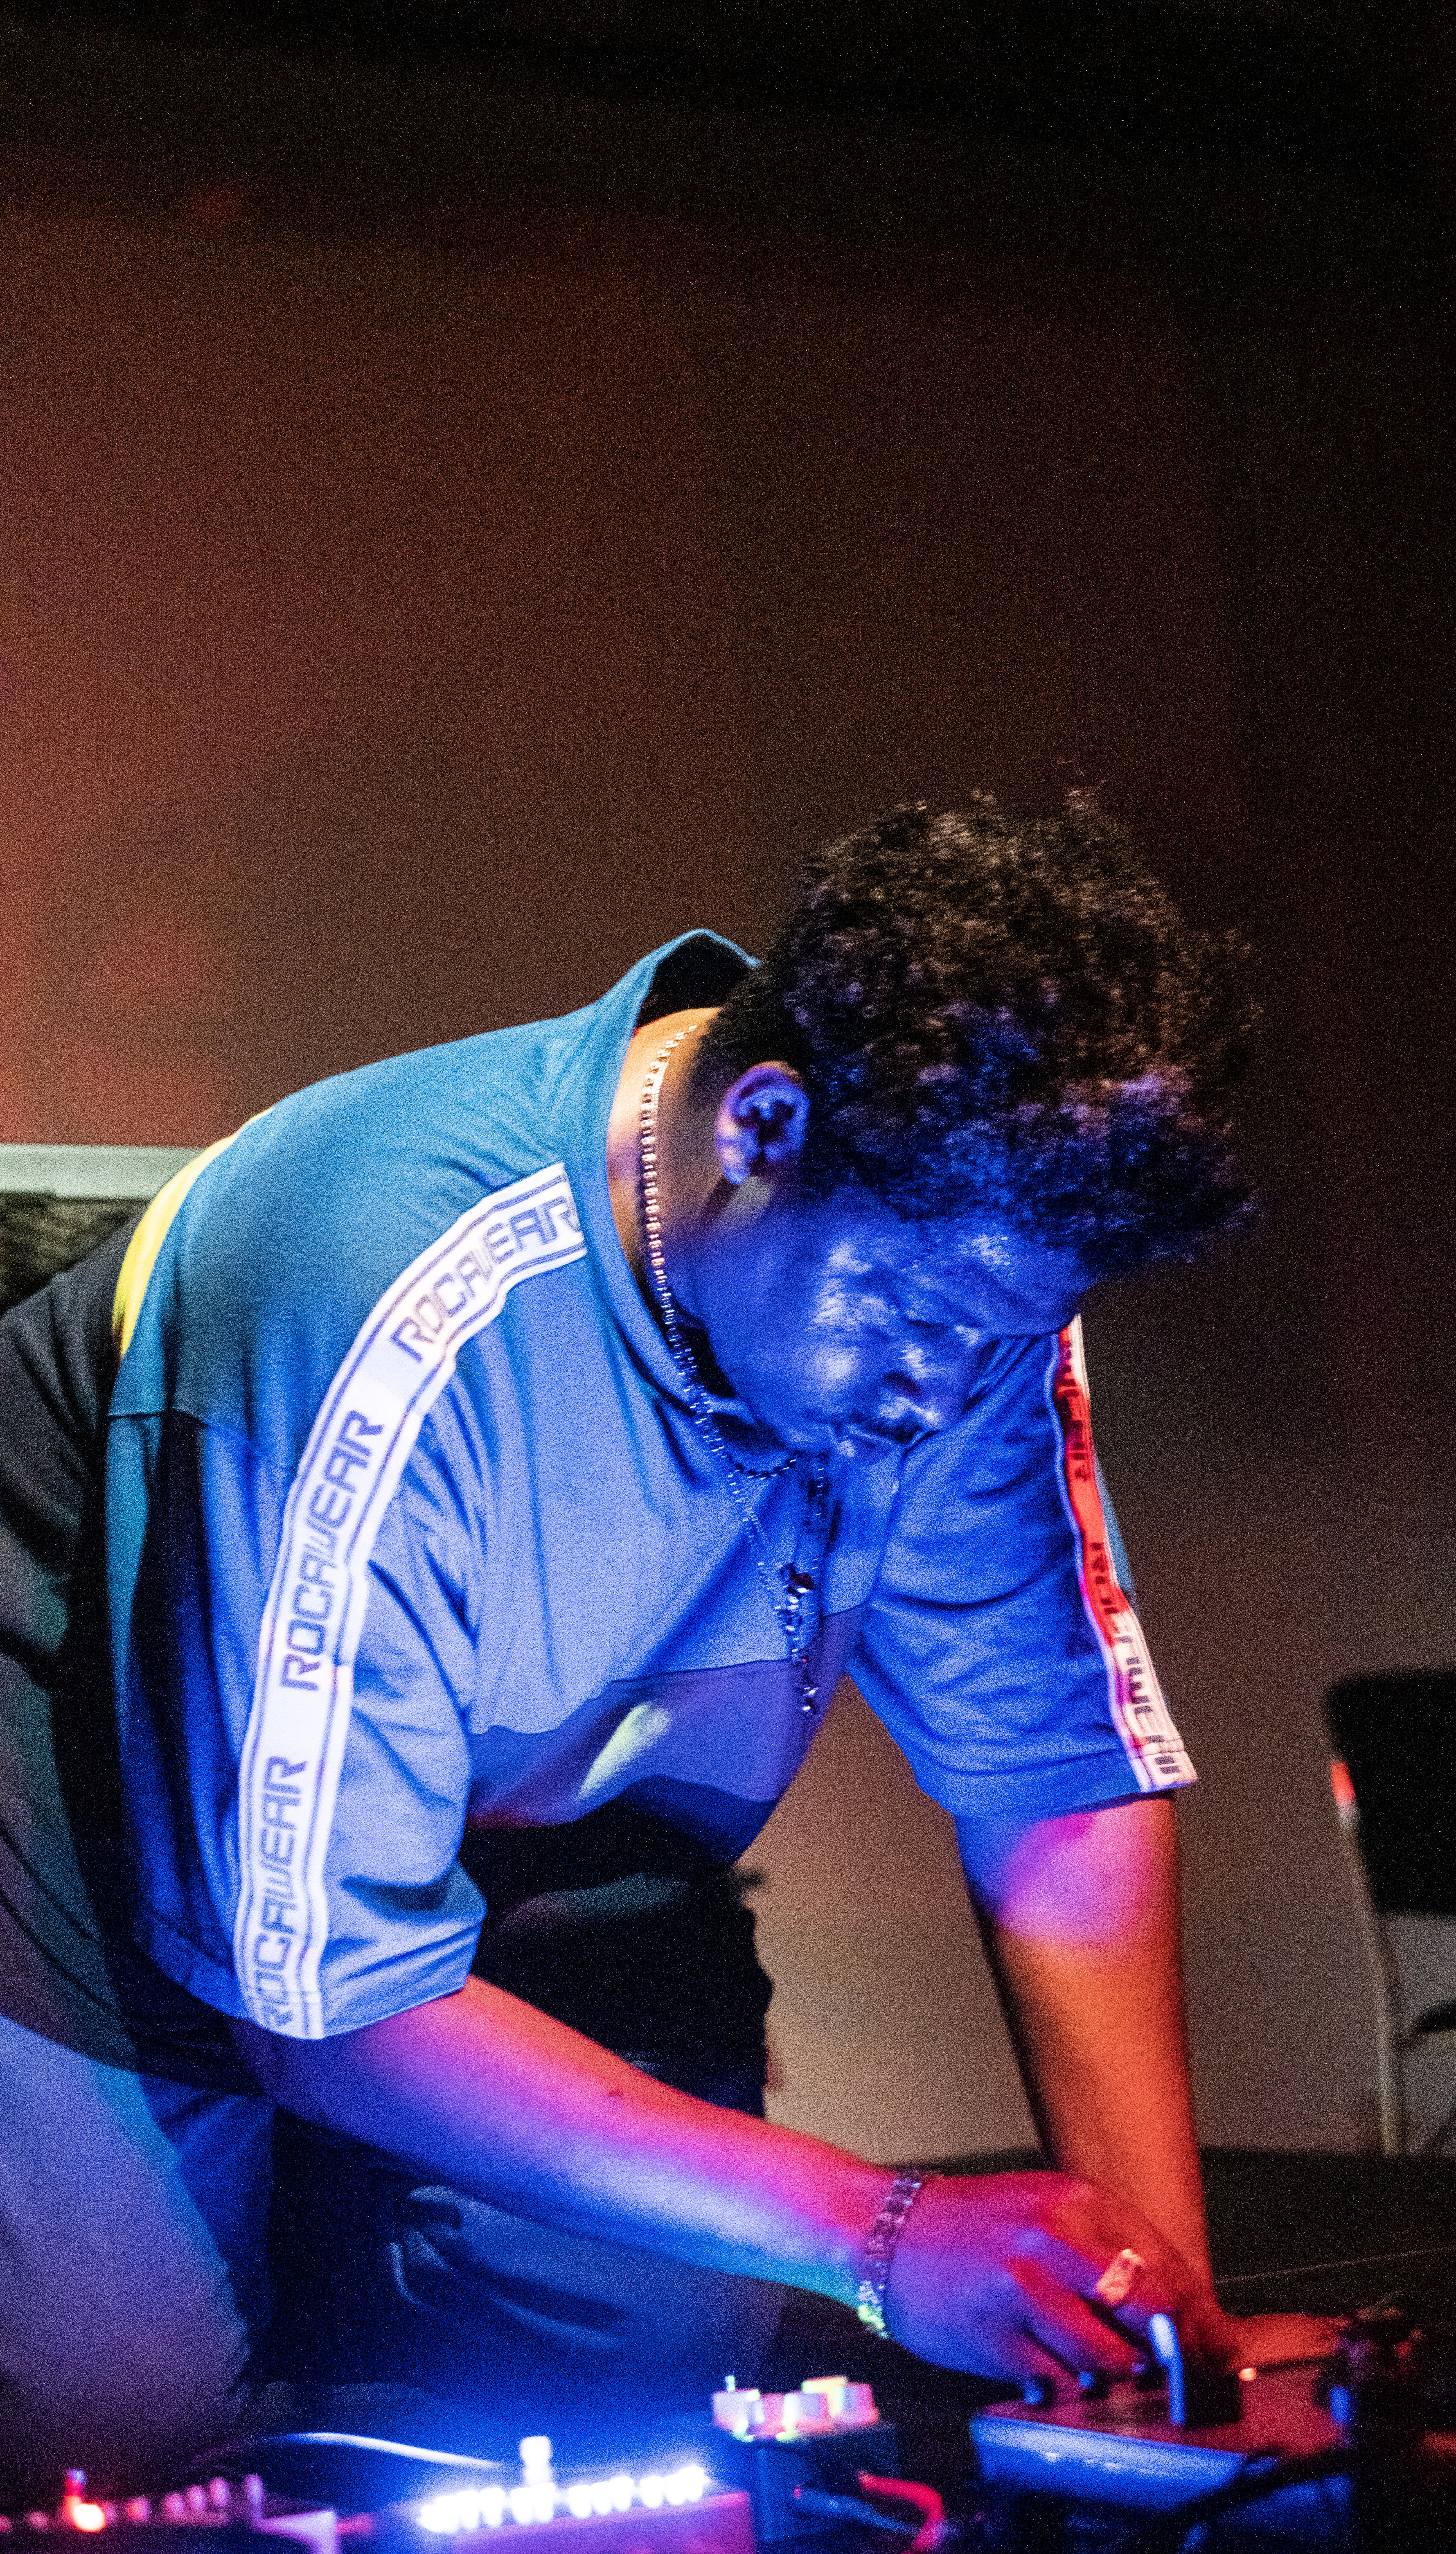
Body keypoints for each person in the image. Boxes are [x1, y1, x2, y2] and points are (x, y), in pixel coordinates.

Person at [0, 796, 1267, 2500]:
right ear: (763, 1124)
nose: (943, 1397)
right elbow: (325, 2000)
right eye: (914, 1320)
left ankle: (341, 2233)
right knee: (109, 2437)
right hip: (77, 1815)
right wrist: (881, 2232)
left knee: (650, 2345)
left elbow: (1056, 1786)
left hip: (507, 1829)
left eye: (1005, 1335)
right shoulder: (379, 1284)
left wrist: (1152, 2328)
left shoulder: (959, 1293)